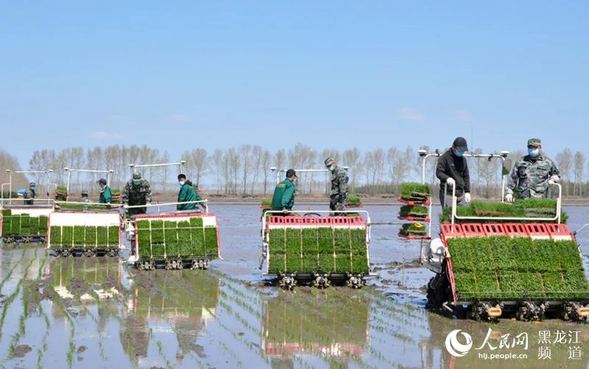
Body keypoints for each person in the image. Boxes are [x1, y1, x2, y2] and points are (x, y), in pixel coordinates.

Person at [436, 137, 471, 208]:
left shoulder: (463, 160)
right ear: (454, 147)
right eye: (460, 150)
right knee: (449, 216)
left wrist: (467, 191)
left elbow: (466, 176)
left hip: (460, 194)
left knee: (461, 216)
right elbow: (439, 172)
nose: (461, 152)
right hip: (447, 193)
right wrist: (447, 178)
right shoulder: (444, 158)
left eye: (463, 151)